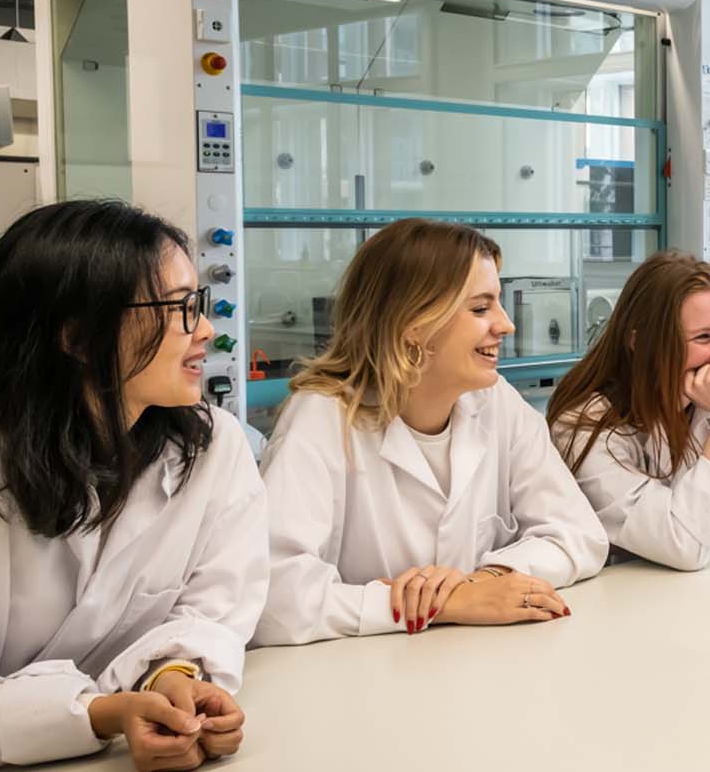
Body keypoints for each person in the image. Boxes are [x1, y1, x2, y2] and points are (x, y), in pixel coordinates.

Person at [0, 200, 267, 772]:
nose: (206, 329)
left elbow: (216, 607)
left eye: (199, 304)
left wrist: (175, 677)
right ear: (79, 338)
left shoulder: (212, 447)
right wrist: (100, 713)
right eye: (179, 308)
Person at [255, 219, 606, 646]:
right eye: (481, 308)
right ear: (414, 324)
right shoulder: (322, 419)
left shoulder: (496, 401)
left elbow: (578, 533)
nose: (506, 325)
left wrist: (489, 578)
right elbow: (273, 599)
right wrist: (438, 605)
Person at [548, 252, 710, 570]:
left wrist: (693, 520)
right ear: (641, 342)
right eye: (704, 336)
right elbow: (685, 544)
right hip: (620, 598)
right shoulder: (583, 422)